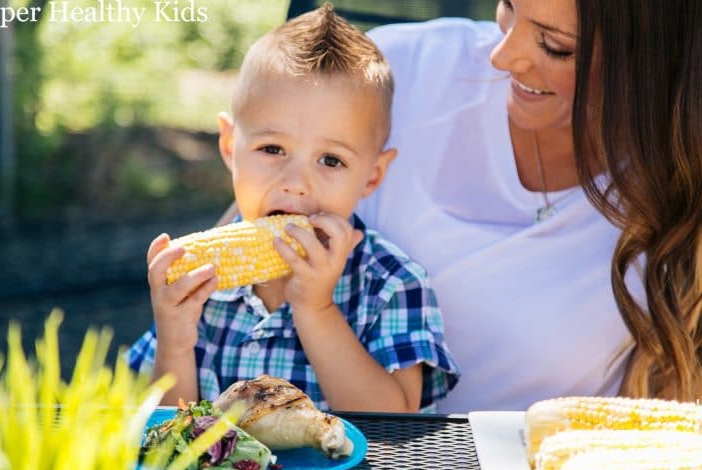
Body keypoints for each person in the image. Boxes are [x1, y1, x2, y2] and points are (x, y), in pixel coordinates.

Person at [355, 0, 702, 412]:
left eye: (555, 46)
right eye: (507, 6)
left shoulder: (681, 182)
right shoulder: (393, 71)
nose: (502, 56)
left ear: (651, 58)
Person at [127, 5, 459, 412]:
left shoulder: (392, 284)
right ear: (231, 146)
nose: (295, 183)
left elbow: (394, 424)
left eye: (331, 160)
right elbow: (161, 431)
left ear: (372, 176)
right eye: (272, 149)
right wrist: (175, 339)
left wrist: (315, 308)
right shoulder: (198, 283)